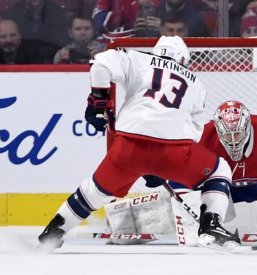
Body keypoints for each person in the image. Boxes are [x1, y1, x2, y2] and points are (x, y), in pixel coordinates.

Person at [37, 35, 240, 251]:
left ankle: (52, 233)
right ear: (182, 59)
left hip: (127, 149)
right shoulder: (197, 84)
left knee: (94, 191)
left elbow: (100, 64)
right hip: (173, 151)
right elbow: (194, 133)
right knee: (219, 170)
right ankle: (211, 224)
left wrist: (98, 103)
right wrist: (162, 167)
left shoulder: (139, 59)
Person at [1, 0, 71, 52]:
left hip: (49, 58)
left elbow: (60, 41)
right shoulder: (11, 13)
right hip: (20, 58)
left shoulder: (57, 13)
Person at [92, 0, 163, 41]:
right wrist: (134, 5)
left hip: (161, 42)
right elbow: (100, 23)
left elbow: (172, 17)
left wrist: (163, 27)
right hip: (124, 44)